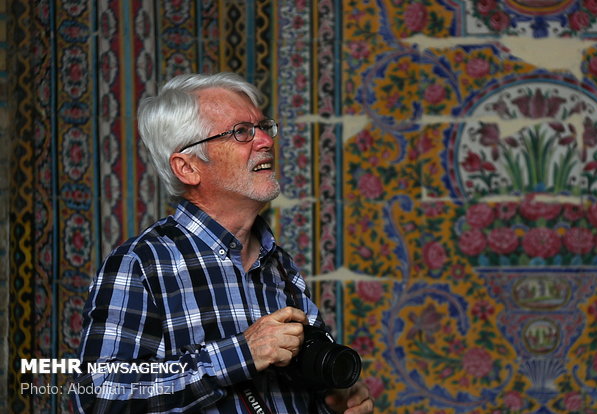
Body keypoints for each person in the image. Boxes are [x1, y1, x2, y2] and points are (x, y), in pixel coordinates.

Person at [72, 72, 374, 414]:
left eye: (263, 127)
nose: (265, 141)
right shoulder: (144, 262)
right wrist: (243, 353)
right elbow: (99, 395)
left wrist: (335, 402)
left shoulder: (281, 266)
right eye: (242, 132)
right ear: (187, 168)